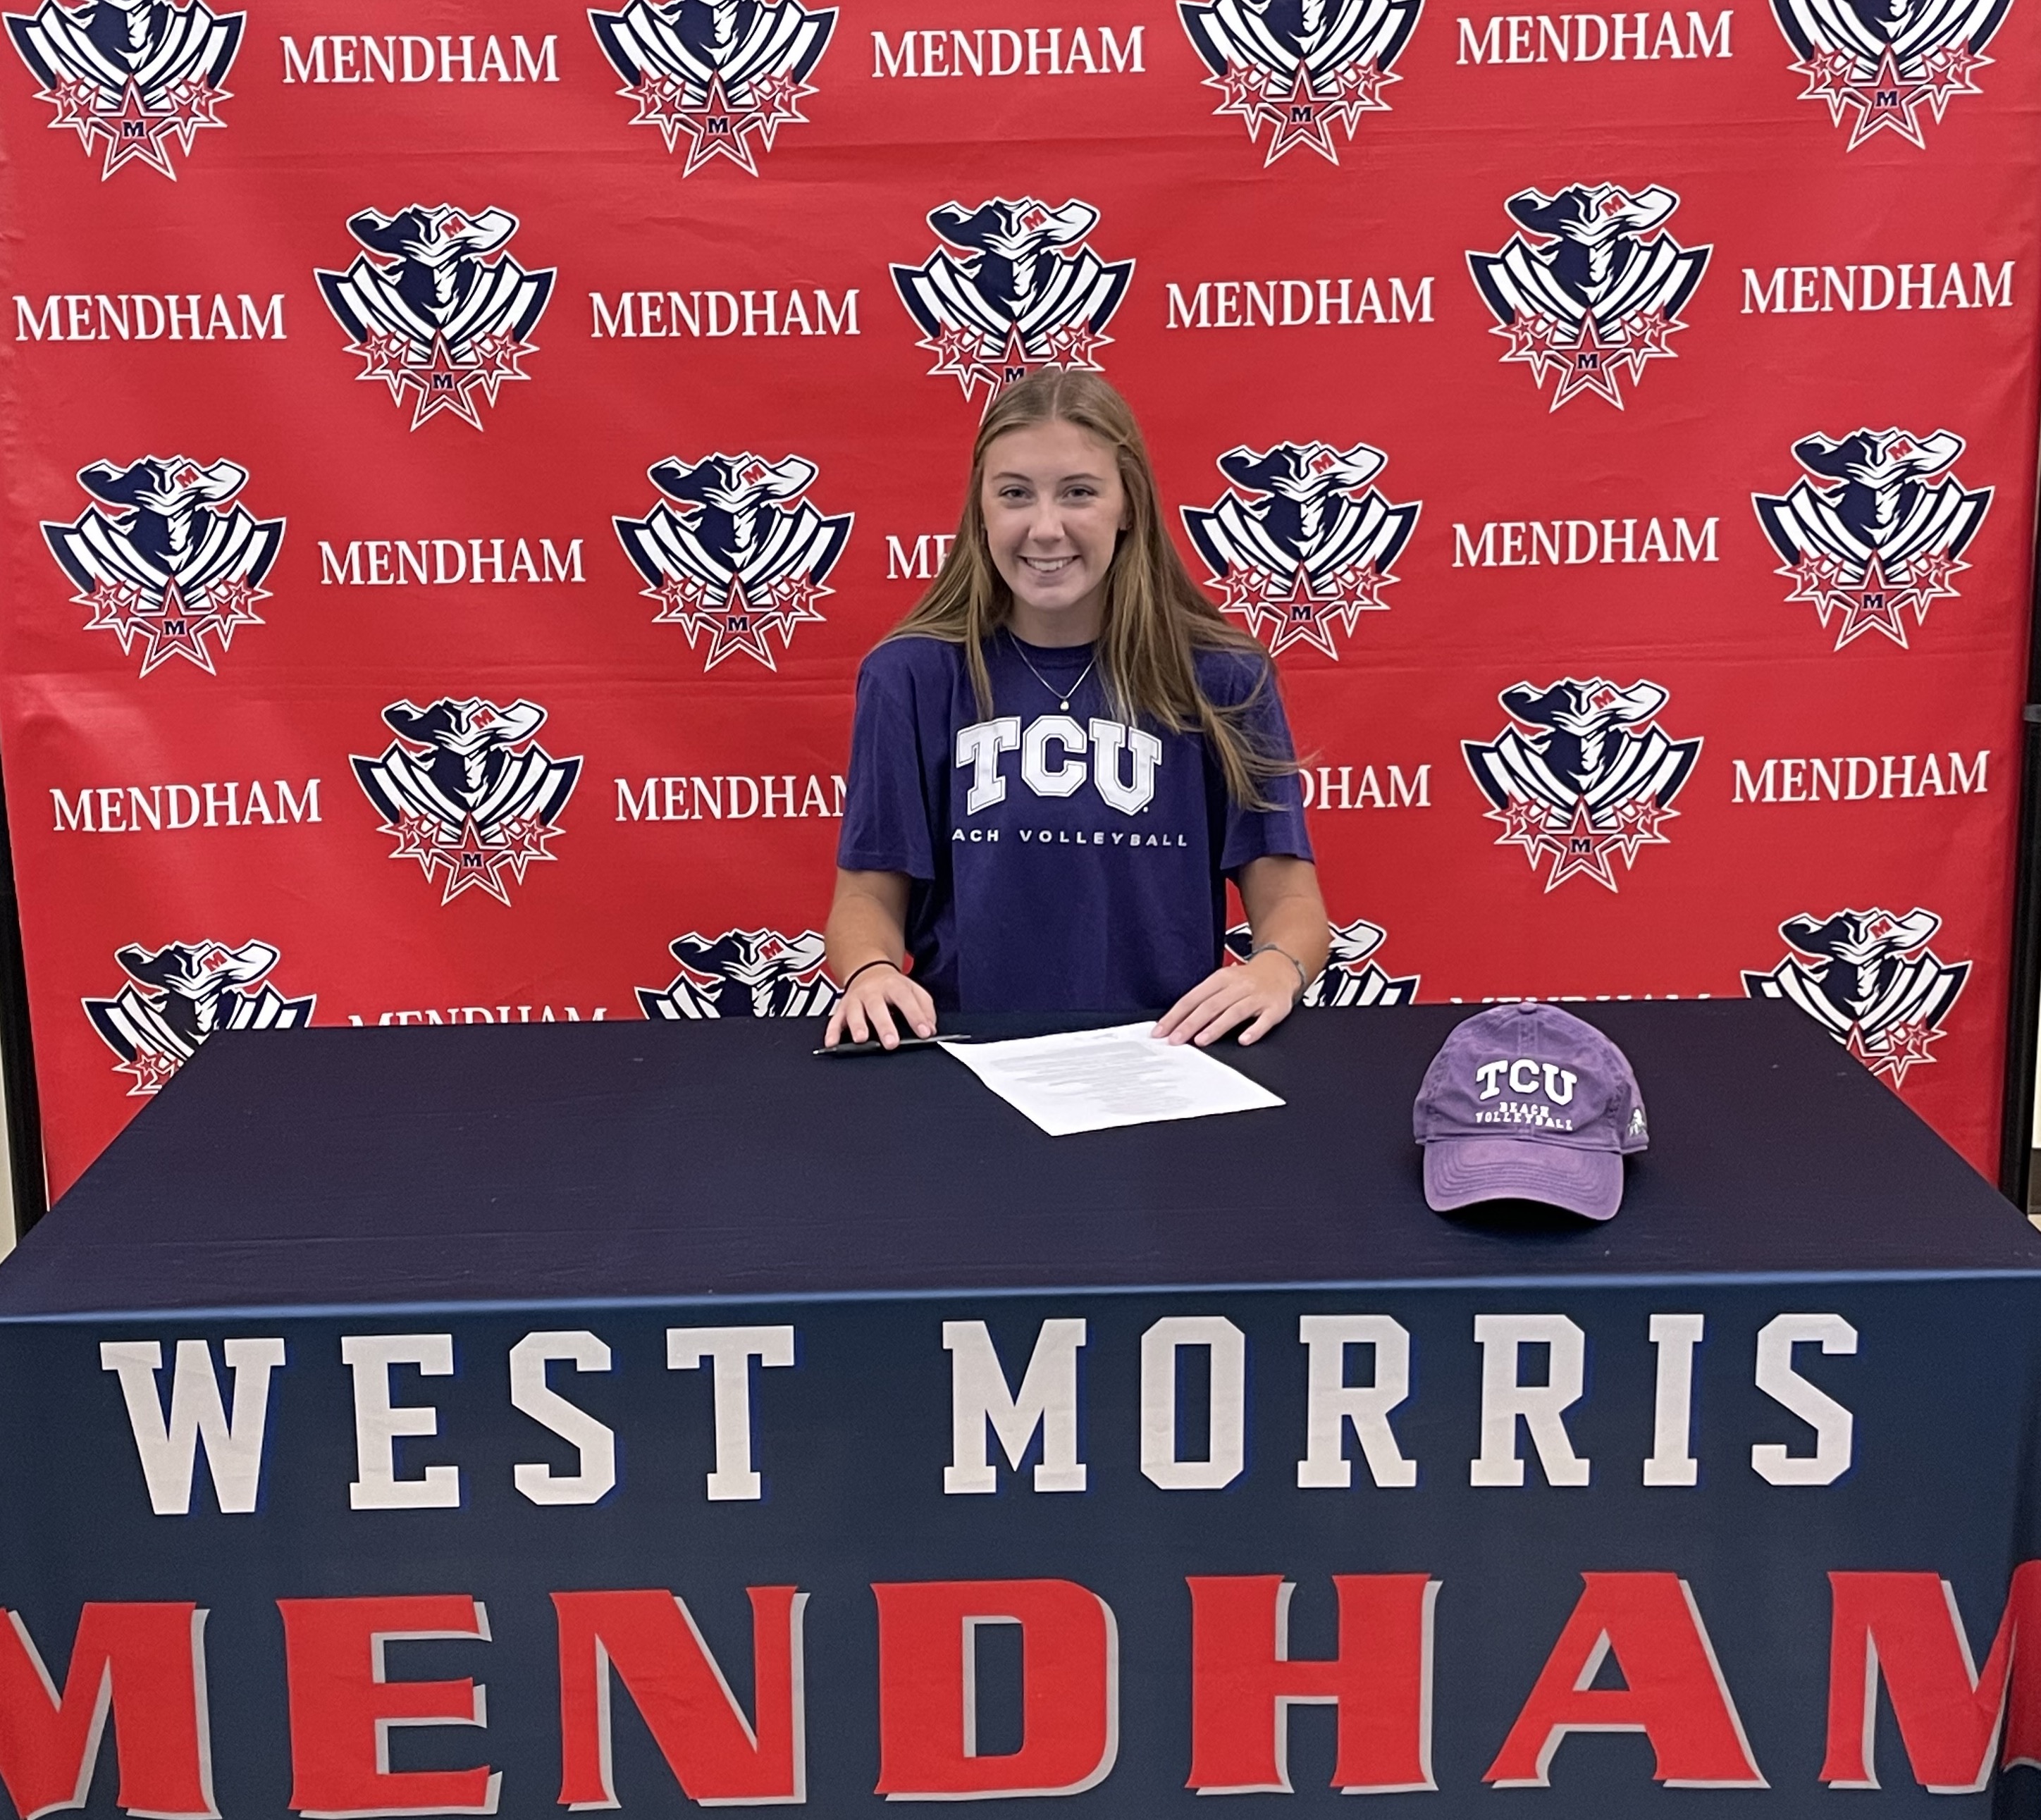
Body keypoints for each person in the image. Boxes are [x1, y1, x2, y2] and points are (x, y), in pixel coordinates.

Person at [823, 371, 1330, 1050]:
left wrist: (1277, 966)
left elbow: (1291, 899)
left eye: (1079, 493)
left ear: (1129, 506)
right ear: (980, 509)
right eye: (1014, 495)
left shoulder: (1223, 677)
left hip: (1172, 1060)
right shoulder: (909, 676)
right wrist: (872, 971)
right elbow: (864, 897)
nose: (1045, 527)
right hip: (968, 1055)